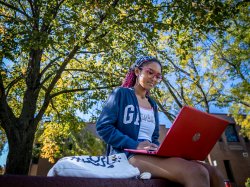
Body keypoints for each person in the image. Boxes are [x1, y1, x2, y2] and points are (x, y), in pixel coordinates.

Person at [96, 56, 225, 187]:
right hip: (126, 155)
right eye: (150, 72)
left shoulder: (153, 104)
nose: (154, 78)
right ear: (137, 72)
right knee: (196, 172)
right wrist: (135, 144)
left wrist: (160, 149)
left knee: (214, 173)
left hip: (149, 155)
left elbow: (154, 137)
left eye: (158, 76)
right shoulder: (121, 93)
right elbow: (103, 127)